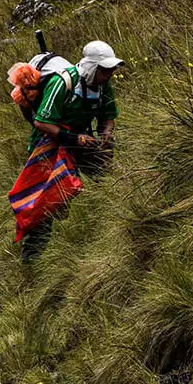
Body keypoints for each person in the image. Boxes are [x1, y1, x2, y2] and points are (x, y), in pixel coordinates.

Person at [18, 40, 124, 260]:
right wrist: (73, 137)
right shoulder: (62, 83)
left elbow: (108, 115)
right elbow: (41, 122)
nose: (110, 74)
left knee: (112, 177)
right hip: (48, 143)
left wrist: (106, 133)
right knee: (44, 199)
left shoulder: (104, 85)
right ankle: (32, 257)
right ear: (92, 67)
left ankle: (121, 222)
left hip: (82, 140)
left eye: (112, 69)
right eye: (105, 70)